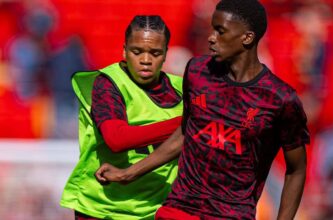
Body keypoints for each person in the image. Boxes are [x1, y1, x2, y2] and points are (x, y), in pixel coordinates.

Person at [96, 1, 310, 219]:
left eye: (220, 31)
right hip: (179, 209)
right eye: (212, 29)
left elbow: (296, 169)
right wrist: (129, 173)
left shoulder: (280, 99)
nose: (211, 37)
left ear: (247, 37)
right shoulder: (197, 71)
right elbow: (185, 133)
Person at [60, 15, 183, 219]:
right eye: (137, 52)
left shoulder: (181, 90)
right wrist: (187, 122)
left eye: (155, 53)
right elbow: (117, 139)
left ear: (165, 55)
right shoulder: (107, 84)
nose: (145, 60)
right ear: (124, 51)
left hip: (155, 209)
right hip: (101, 207)